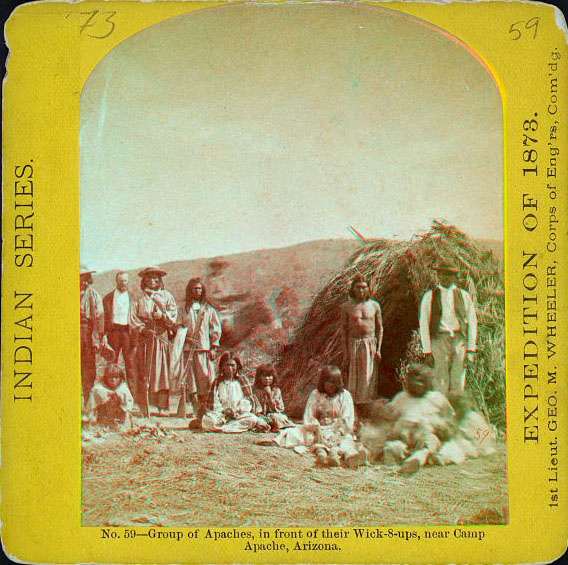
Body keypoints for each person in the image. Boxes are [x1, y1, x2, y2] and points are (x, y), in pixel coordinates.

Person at [273, 366, 368, 468]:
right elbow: (309, 415)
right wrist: (316, 428)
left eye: (334, 382)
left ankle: (345, 457)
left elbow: (347, 418)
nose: (331, 385)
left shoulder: (345, 395)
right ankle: (322, 454)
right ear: (323, 382)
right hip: (318, 428)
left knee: (345, 442)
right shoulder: (316, 394)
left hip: (338, 429)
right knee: (294, 433)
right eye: (327, 382)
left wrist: (338, 433)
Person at [382, 364, 455, 476]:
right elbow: (388, 420)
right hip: (404, 439)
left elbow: (450, 421)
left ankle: (417, 459)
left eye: (421, 381)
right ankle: (409, 461)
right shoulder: (401, 397)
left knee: (430, 442)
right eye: (414, 381)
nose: (417, 384)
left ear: (428, 383)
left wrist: (440, 428)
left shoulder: (437, 398)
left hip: (425, 438)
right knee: (392, 447)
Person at [419, 259, 478, 393]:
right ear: (438, 275)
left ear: (455, 277)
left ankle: (455, 410)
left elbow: (472, 322)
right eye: (443, 273)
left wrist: (471, 349)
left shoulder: (464, 296)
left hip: (459, 341)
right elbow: (423, 324)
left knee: (458, 379)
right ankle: (442, 410)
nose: (446, 277)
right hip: (439, 340)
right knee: (440, 380)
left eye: (450, 274)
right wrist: (427, 351)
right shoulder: (430, 296)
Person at [130, 267, 178, 417]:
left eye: (155, 278)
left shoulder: (167, 296)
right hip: (145, 338)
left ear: (159, 280)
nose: (153, 281)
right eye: (149, 278)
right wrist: (143, 329)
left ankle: (162, 406)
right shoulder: (139, 298)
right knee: (146, 370)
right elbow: (133, 318)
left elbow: (173, 316)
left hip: (161, 336)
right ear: (144, 280)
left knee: (161, 371)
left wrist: (162, 316)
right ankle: (147, 406)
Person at [172, 278, 221, 418]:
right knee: (190, 380)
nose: (197, 291)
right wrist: (186, 338)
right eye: (194, 288)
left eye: (199, 288)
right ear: (190, 290)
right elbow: (177, 326)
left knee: (205, 378)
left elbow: (215, 329)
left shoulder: (209, 310)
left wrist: (213, 347)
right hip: (188, 350)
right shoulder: (183, 309)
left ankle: (205, 407)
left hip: (203, 350)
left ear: (203, 290)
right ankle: (194, 406)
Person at [201, 352, 269, 433]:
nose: (230, 368)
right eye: (227, 365)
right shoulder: (217, 382)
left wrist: (236, 410)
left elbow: (247, 401)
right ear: (222, 367)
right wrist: (224, 411)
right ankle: (231, 428)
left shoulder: (242, 381)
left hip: (238, 415)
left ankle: (223, 428)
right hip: (221, 415)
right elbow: (214, 401)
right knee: (208, 420)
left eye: (232, 366)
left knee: (252, 419)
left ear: (237, 367)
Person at [340, 275, 383, 403]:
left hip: (370, 343)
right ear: (353, 289)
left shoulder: (374, 306)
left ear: (368, 289)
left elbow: (380, 329)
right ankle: (354, 406)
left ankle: (367, 404)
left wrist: (378, 349)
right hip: (354, 343)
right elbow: (344, 331)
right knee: (354, 377)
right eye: (358, 288)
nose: (361, 291)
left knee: (368, 377)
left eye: (364, 288)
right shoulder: (347, 307)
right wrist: (346, 353)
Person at [431, 393, 497, 466]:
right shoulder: (470, 415)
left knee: (453, 443)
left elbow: (458, 435)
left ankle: (444, 458)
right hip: (480, 446)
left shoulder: (470, 418)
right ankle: (442, 456)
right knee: (454, 441)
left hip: (477, 448)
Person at [102, 271, 136, 398]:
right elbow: (104, 318)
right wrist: (104, 335)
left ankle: (132, 397)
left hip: (128, 332)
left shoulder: (133, 297)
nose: (123, 283)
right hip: (113, 332)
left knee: (130, 365)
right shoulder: (108, 298)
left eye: (125, 281)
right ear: (116, 282)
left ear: (128, 282)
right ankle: (109, 395)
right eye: (121, 281)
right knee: (112, 363)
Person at [80, 265, 104, 405]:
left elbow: (99, 317)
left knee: (89, 367)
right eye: (80, 278)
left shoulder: (94, 294)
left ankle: (88, 400)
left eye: (85, 278)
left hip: (88, 333)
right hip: (73, 332)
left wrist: (98, 338)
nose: (83, 281)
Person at [84, 364, 134, 428]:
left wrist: (116, 395)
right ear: (106, 378)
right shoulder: (99, 387)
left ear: (120, 378)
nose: (113, 380)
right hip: (103, 415)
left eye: (116, 377)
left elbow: (128, 404)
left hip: (119, 416)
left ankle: (117, 422)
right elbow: (92, 404)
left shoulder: (123, 387)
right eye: (110, 377)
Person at [252, 363, 294, 431]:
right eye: (264, 376)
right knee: (253, 419)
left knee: (279, 417)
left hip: (272, 416)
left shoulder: (276, 391)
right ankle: (265, 426)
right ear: (259, 377)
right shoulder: (255, 390)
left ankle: (271, 427)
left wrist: (269, 396)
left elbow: (279, 409)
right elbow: (254, 408)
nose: (267, 379)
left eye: (269, 376)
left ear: (273, 377)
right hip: (259, 416)